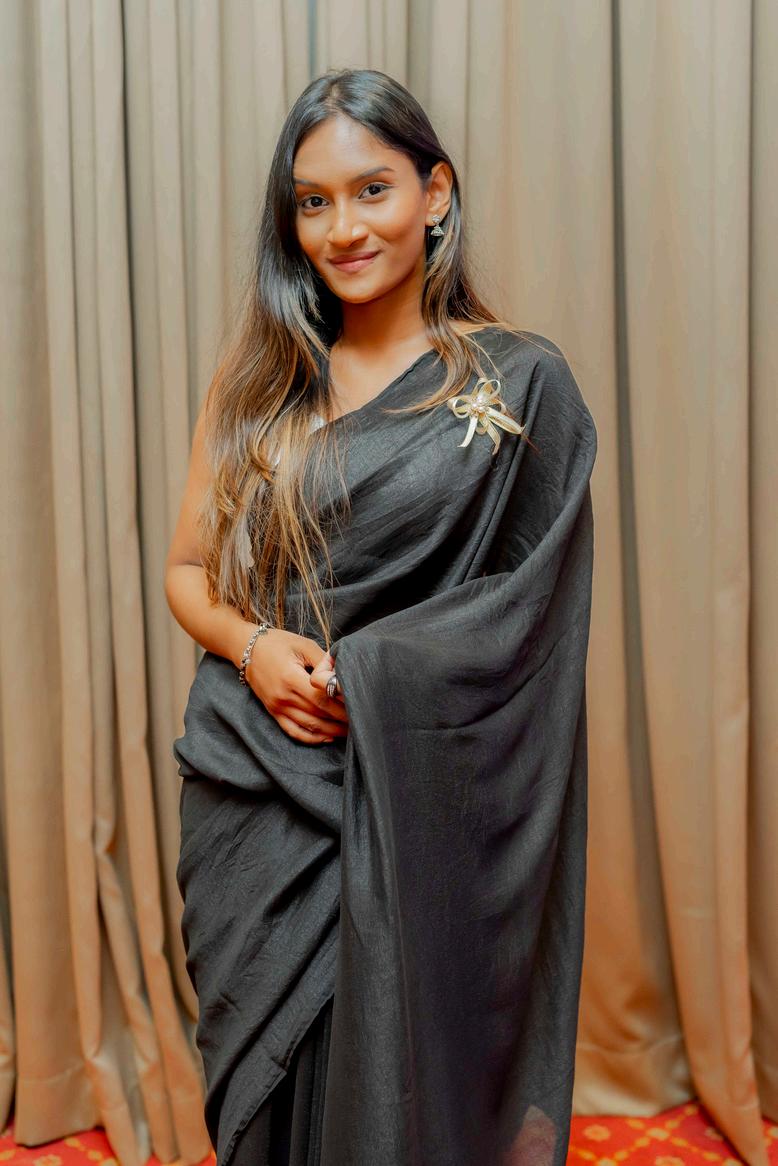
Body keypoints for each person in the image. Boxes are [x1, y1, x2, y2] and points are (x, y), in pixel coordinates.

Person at [165, 66, 597, 1166]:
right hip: (254, 784)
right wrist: (255, 647)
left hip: (414, 800)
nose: (343, 228)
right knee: (261, 1097)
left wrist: (375, 671)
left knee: (399, 1091)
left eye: (372, 190)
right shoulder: (259, 383)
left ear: (434, 192)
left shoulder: (515, 383)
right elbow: (187, 574)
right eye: (312, 201)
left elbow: (531, 622)